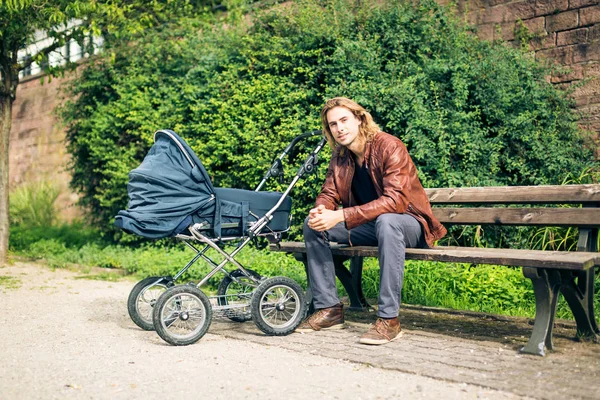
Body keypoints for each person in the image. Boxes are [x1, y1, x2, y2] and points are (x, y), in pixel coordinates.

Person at [295, 97, 447, 345]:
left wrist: (341, 215)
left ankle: (389, 320)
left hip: (409, 224)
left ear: (359, 119)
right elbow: (329, 193)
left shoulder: (390, 146)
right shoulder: (340, 157)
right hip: (370, 225)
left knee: (387, 221)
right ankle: (330, 309)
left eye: (344, 120)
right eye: (333, 124)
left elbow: (395, 201)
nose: (339, 128)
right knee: (312, 225)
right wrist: (321, 211)